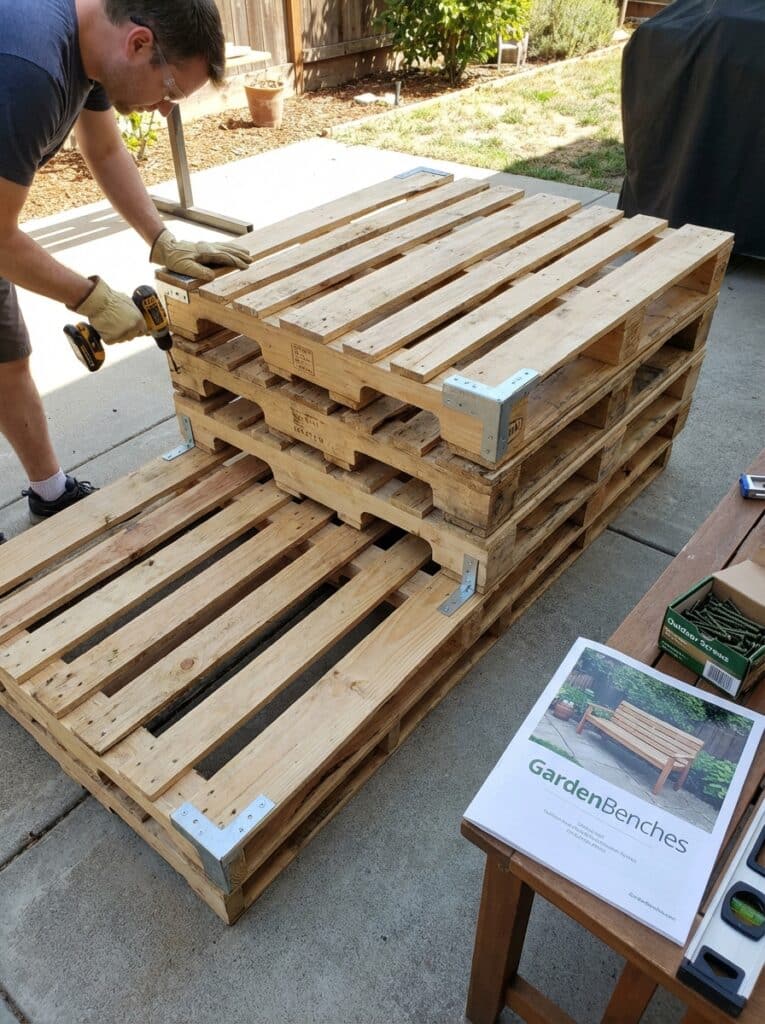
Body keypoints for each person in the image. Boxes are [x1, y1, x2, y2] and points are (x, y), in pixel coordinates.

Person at [0, 0, 254, 542]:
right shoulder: (29, 69)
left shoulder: (89, 49)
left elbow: (106, 147)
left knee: (6, 358)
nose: (166, 110)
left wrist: (162, 241)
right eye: (171, 91)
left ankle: (50, 490)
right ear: (139, 44)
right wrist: (89, 298)